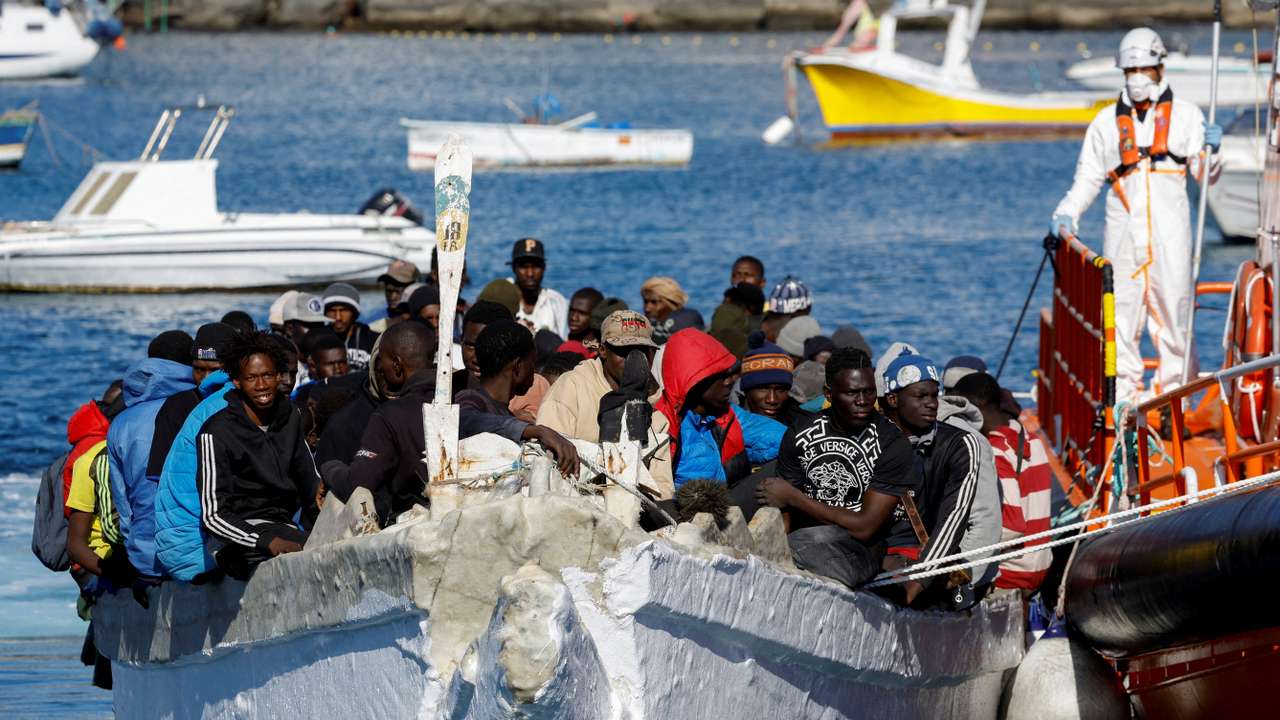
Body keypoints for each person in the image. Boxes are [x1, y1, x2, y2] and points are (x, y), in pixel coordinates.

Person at [1051, 27, 1222, 402]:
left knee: (1175, 313)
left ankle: (1172, 397)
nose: (1139, 78)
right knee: (1122, 315)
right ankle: (1125, 398)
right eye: (1131, 71)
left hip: (1171, 232)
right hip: (1123, 230)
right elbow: (1087, 178)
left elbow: (1205, 175)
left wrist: (1213, 151)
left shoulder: (1188, 116)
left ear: (1161, 68)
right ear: (1122, 73)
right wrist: (1067, 212)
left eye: (1146, 68)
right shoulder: (1104, 123)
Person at [327, 322, 577, 522]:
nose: (378, 368)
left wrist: (329, 468)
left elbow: (357, 484)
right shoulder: (467, 388)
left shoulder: (390, 415)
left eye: (381, 360)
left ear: (396, 364)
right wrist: (525, 429)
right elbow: (471, 419)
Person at [754, 348, 919, 589]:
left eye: (869, 392)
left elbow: (865, 527)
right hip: (806, 543)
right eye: (852, 393)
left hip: (860, 553)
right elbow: (784, 510)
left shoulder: (892, 442)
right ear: (829, 393)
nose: (863, 402)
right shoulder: (801, 432)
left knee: (807, 540)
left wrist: (793, 497)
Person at [197, 331, 320, 580]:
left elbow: (311, 483)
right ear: (237, 382)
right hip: (235, 533)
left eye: (267, 376)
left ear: (278, 377)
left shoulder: (291, 417)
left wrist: (326, 525)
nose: (262, 385)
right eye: (251, 378)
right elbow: (213, 516)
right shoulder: (215, 432)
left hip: (282, 526)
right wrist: (267, 542)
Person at [537, 310, 674, 497]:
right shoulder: (572, 387)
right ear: (603, 351)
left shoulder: (657, 419)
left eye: (642, 352)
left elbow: (662, 489)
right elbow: (546, 459)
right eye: (624, 352)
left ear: (652, 354)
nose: (634, 361)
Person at [880, 353, 980, 606]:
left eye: (934, 396)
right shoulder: (872, 440)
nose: (932, 404)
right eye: (921, 396)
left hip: (927, 558)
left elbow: (954, 517)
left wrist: (918, 581)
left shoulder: (960, 444)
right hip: (878, 556)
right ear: (893, 399)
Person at [106, 330, 197, 578]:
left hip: (144, 556)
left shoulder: (121, 423)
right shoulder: (204, 408)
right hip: (197, 552)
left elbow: (123, 507)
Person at [954, 372, 1053, 592]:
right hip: (1041, 564)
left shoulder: (995, 452)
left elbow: (1012, 526)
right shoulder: (1033, 441)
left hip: (1013, 572)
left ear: (976, 406)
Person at [655, 328, 785, 489]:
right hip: (682, 511)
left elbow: (781, 438)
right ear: (695, 380)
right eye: (721, 376)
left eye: (730, 373)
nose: (730, 381)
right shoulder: (664, 427)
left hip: (725, 505)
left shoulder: (724, 415)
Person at [510, 238, 568, 337]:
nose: (530, 273)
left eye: (536, 266)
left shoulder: (557, 301)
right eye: (524, 267)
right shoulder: (502, 296)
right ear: (513, 268)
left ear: (544, 268)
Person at [458, 300, 516, 393]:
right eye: (471, 346)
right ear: (461, 341)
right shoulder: (447, 387)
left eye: (489, 348)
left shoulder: (524, 394)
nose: (477, 359)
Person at [322, 282, 378, 372]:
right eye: (332, 311)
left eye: (344, 310)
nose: (338, 317)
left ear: (354, 313)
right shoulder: (320, 339)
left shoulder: (373, 340)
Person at [738, 342, 798, 425]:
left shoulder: (802, 426)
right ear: (746, 390)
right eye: (763, 388)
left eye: (780, 390)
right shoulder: (724, 428)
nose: (772, 400)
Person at [641, 276, 704, 345]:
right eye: (645, 301)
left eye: (654, 302)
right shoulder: (652, 322)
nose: (647, 308)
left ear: (670, 301)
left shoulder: (683, 321)